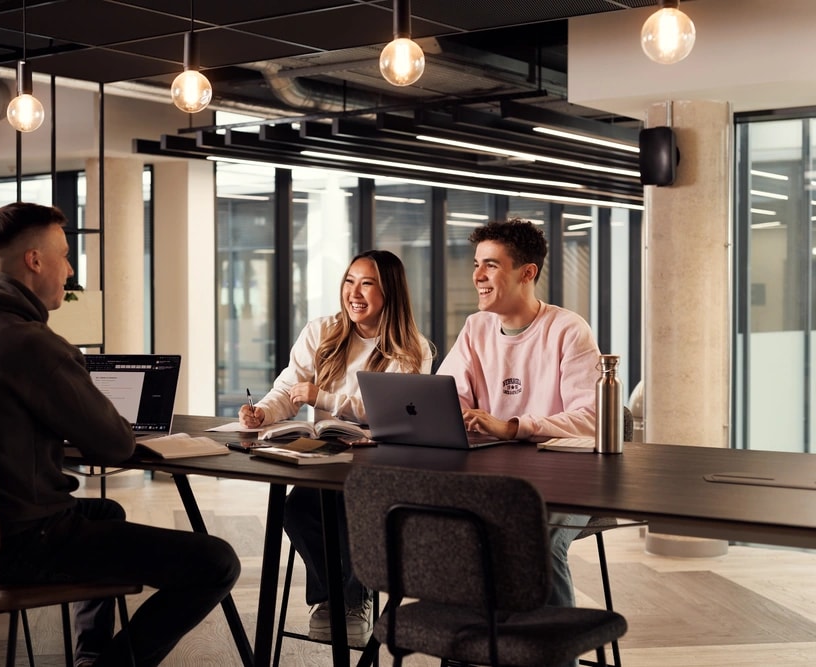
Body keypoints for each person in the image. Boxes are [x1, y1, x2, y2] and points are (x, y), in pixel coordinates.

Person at [0, 202, 240, 667]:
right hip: (27, 542)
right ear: (34, 260)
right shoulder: (32, 343)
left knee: (105, 509)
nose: (70, 268)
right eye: (65, 255)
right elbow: (115, 444)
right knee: (217, 562)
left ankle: (89, 654)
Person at [238, 249, 432, 646]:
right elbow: (288, 389)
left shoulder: (413, 348)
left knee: (352, 509)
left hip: (383, 458)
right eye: (349, 281)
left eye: (367, 283)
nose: (354, 293)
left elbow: (394, 415)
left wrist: (324, 398)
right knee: (296, 510)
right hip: (326, 454)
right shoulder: (322, 330)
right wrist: (261, 413)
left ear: (389, 290)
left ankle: (351, 598)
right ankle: (335, 598)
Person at [436, 219, 599, 626]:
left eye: (491, 265)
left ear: (527, 273)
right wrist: (452, 413)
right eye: (476, 264)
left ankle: (555, 655)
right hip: (496, 475)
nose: (477, 276)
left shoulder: (568, 330)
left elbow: (592, 419)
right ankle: (482, 644)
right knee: (447, 528)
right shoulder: (476, 327)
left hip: (570, 480)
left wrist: (512, 427)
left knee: (533, 538)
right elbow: (447, 393)